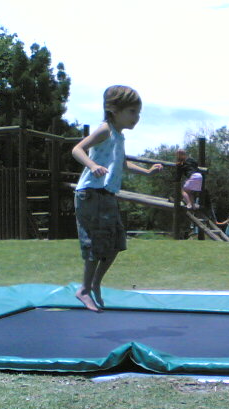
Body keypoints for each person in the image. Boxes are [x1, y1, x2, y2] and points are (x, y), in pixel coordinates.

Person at [72, 85, 163, 312]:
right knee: (95, 244)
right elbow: (77, 149)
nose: (137, 118)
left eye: (138, 113)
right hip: (90, 194)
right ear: (115, 110)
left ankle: (94, 283)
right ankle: (83, 289)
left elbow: (122, 164)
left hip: (108, 195)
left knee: (116, 243)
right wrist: (92, 165)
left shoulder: (119, 136)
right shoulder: (105, 130)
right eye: (132, 112)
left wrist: (147, 172)